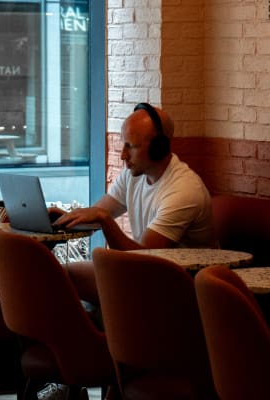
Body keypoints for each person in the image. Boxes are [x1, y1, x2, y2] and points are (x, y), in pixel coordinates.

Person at [50, 102, 216, 306]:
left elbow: (144, 260)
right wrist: (62, 219)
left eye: (131, 146)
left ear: (159, 148)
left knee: (68, 277)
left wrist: (105, 221)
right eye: (123, 144)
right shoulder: (134, 174)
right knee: (60, 275)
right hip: (148, 279)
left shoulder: (184, 191)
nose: (123, 156)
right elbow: (97, 214)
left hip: (179, 291)